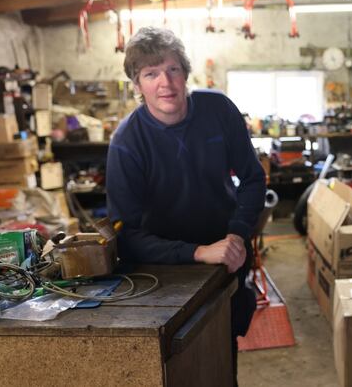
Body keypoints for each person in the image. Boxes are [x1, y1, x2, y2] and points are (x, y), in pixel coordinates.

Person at [106, 27, 265, 383]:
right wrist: (197, 252)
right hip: (163, 274)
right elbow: (126, 235)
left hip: (227, 258)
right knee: (173, 367)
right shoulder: (127, 142)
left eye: (173, 69)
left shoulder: (218, 109)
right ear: (137, 84)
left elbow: (253, 179)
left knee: (223, 358)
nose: (166, 82)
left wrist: (237, 236)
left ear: (185, 72)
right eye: (151, 73)